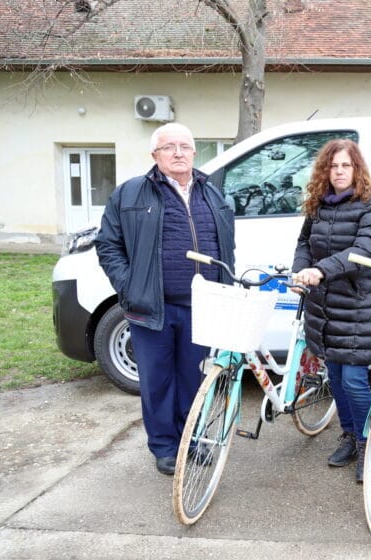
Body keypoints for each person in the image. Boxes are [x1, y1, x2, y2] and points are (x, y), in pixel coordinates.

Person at [97, 123, 236, 476]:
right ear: (154, 155)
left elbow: (226, 245)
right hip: (151, 308)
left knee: (194, 380)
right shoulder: (130, 194)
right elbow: (108, 245)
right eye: (169, 147)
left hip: (202, 307)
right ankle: (165, 447)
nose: (178, 153)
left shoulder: (213, 193)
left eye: (185, 146)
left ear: (194, 152)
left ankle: (191, 441)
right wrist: (129, 285)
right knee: (158, 382)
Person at [291, 139, 371, 483]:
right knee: (335, 377)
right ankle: (349, 435)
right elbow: (304, 243)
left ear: (357, 168)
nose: (339, 171)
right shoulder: (319, 204)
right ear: (325, 170)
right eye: (333, 166)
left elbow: (366, 249)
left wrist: (320, 270)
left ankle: (368, 443)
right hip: (324, 304)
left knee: (353, 379)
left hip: (359, 303)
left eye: (346, 165)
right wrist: (300, 271)